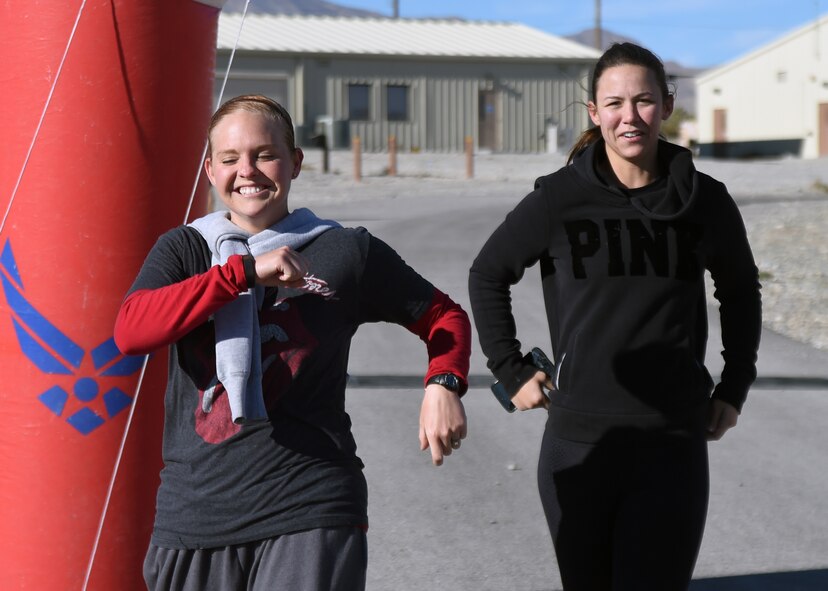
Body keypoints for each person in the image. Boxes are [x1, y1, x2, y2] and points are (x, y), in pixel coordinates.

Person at [114, 94, 471, 591]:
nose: (248, 171)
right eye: (231, 158)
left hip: (310, 504)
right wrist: (240, 274)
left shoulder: (344, 250)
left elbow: (443, 316)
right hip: (194, 515)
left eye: (265, 154)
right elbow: (131, 331)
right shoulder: (185, 249)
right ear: (210, 168)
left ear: (295, 162)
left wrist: (444, 383)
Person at [468, 43, 761, 590]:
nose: (630, 116)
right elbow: (488, 273)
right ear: (594, 113)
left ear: (668, 106)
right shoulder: (559, 199)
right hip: (578, 441)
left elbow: (741, 291)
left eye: (645, 100)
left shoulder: (706, 201)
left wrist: (734, 386)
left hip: (672, 441)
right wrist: (510, 369)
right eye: (616, 103)